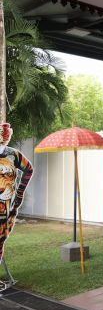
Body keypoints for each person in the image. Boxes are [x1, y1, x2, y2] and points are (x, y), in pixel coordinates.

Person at [0, 123, 34, 290]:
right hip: (6, 203)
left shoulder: (13, 154)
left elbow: (29, 169)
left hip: (6, 206)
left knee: (1, 239)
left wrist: (19, 193)